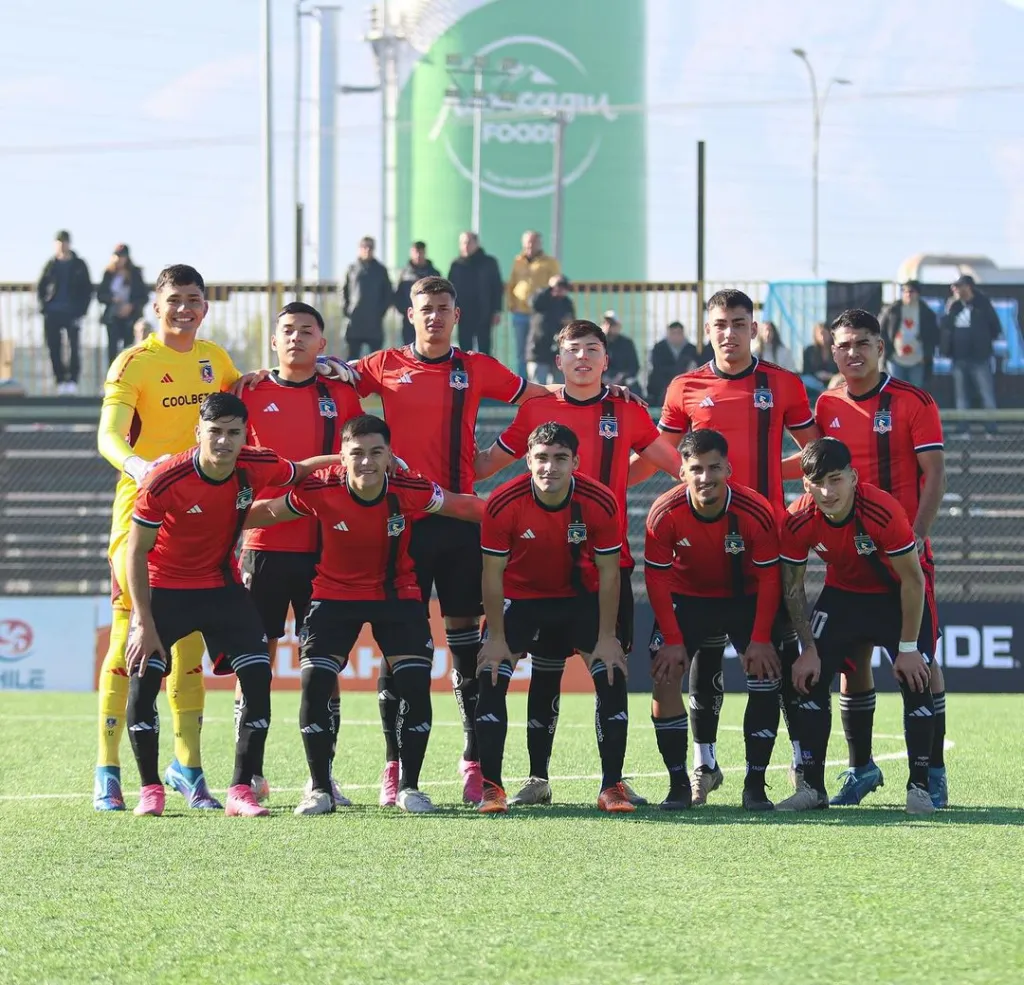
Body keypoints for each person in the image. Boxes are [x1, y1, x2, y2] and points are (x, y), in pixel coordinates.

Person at [352, 275, 581, 806]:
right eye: (425, 308)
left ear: (457, 316)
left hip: (458, 523)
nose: (434, 316)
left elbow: (539, 400)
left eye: (443, 309)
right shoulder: (383, 365)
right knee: (400, 644)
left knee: (465, 648)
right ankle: (393, 766)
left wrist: (495, 457)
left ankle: (473, 761)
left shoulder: (477, 367)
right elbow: (332, 384)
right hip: (399, 523)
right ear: (409, 315)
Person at [474, 319, 680, 805]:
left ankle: (612, 781)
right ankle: (534, 778)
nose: (583, 357)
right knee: (543, 671)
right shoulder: (539, 408)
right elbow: (487, 464)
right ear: (559, 359)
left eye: (593, 349)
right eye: (573, 350)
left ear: (606, 359)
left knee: (610, 666)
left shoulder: (626, 408)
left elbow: (670, 462)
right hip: (534, 571)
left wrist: (623, 482)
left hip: (604, 566)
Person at [245, 414, 487, 814]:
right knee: (315, 682)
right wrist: (209, 513)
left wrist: (521, 513)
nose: (367, 462)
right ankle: (320, 789)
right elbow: (269, 512)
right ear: (341, 457)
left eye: (376, 452)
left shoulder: (409, 488)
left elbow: (462, 506)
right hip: (333, 596)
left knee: (414, 681)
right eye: (356, 453)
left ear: (391, 456)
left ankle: (409, 787)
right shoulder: (321, 488)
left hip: (397, 595)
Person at [634, 288, 819, 804]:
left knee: (774, 665)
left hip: (768, 544)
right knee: (702, 667)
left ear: (754, 327)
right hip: (703, 548)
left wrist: (795, 499)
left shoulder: (782, 385)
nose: (729, 332)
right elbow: (661, 454)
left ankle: (801, 767)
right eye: (720, 323)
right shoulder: (684, 387)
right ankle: (704, 767)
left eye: (739, 322)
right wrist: (611, 484)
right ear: (707, 329)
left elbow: (813, 454)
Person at [123, 392, 335, 816]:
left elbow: (300, 471)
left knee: (258, 675)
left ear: (244, 436)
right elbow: (135, 552)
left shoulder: (257, 464)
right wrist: (143, 622)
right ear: (198, 431)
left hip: (221, 586)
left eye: (233, 433)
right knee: (145, 677)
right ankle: (150, 788)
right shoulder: (165, 479)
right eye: (215, 432)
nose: (223, 441)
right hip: (165, 589)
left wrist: (346, 461)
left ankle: (241, 789)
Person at [94, 264, 244, 813]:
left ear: (205, 307)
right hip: (140, 518)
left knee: (188, 649)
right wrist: (139, 466)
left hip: (200, 526)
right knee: (127, 644)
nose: (185, 308)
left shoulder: (217, 361)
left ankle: (188, 767)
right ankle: (108, 769)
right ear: (156, 307)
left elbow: (245, 398)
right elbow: (108, 435)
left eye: (194, 300)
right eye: (175, 300)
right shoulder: (134, 362)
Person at [815, 308, 947, 807]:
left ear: (880, 347)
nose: (854, 352)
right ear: (833, 349)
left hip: (903, 556)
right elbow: (813, 468)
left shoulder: (913, 401)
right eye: (845, 344)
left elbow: (934, 474)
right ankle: (862, 768)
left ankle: (932, 770)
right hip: (849, 561)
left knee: (923, 664)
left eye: (863, 343)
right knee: (852, 664)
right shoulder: (826, 403)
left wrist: (915, 536)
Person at [239, 301, 363, 803]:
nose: (295, 338)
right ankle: (251, 773)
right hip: (264, 545)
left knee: (324, 667)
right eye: (286, 330)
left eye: (306, 331)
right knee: (257, 663)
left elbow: (360, 456)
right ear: (274, 341)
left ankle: (323, 773)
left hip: (324, 547)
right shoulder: (248, 391)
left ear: (322, 344)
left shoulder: (340, 393)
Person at [476, 422, 631, 814]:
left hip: (580, 601)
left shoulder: (599, 500)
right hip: (521, 601)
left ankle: (612, 786)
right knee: (491, 672)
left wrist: (609, 635)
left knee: (611, 672)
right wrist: (495, 636)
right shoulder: (502, 502)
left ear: (575, 462)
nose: (550, 467)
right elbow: (492, 574)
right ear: (527, 460)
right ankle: (493, 788)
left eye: (560, 458)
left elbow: (610, 572)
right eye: (541, 458)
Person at [777, 437, 936, 816]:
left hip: (895, 597)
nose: (828, 491)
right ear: (805, 484)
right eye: (818, 482)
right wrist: (808, 648)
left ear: (853, 476)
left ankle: (920, 787)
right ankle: (812, 788)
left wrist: (909, 648)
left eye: (836, 479)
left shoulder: (882, 510)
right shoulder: (798, 517)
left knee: (917, 678)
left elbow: (913, 581)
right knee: (809, 677)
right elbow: (793, 586)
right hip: (843, 596)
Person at [644, 429, 783, 811]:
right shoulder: (663, 512)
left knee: (766, 673)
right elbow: (655, 578)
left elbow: (771, 577)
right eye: (696, 469)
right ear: (682, 472)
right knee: (665, 677)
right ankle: (678, 785)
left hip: (745, 599)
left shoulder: (755, 511)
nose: (706, 477)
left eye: (714, 468)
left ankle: (755, 785)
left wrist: (759, 637)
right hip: (688, 601)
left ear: (729, 468)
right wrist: (671, 639)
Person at [37, 230, 92, 394]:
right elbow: (41, 286)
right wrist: (44, 306)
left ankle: (73, 381)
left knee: (74, 347)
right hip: (53, 312)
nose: (62, 245)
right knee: (54, 347)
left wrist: (82, 310)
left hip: (72, 312)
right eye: (59, 241)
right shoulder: (51, 264)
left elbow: (86, 289)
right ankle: (60, 381)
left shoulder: (79, 265)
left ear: (69, 243)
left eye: (65, 241)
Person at [939, 274, 1001, 412]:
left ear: (968, 287)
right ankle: (963, 429)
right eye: (953, 287)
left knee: (986, 394)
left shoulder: (982, 303)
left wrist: (983, 343)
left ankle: (991, 429)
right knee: (961, 396)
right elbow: (945, 327)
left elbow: (995, 327)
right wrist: (948, 311)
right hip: (959, 357)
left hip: (980, 358)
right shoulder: (953, 306)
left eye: (957, 286)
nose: (954, 289)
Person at [507, 231, 561, 378]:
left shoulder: (549, 262)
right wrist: (511, 303)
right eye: (527, 242)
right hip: (520, 312)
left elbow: (556, 286)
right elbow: (512, 283)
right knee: (520, 351)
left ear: (539, 243)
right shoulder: (518, 261)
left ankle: (536, 384)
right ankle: (521, 383)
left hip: (540, 314)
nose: (530, 245)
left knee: (537, 350)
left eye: (533, 241)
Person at [447, 231, 503, 355]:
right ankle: (466, 373)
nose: (465, 246)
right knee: (464, 348)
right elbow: (450, 289)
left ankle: (484, 373)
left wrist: (497, 310)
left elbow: (497, 287)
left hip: (484, 311)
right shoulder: (456, 264)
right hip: (463, 312)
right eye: (462, 243)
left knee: (484, 348)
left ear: (476, 243)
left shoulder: (489, 263)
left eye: (468, 242)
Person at [879, 281, 938, 388]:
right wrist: (888, 351)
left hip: (918, 359)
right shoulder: (892, 310)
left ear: (918, 293)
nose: (908, 294)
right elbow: (881, 331)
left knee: (915, 393)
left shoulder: (927, 312)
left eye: (911, 291)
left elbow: (933, 335)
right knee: (896, 392)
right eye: (905, 291)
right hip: (896, 359)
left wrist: (927, 354)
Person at [97, 244, 149, 368]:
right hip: (113, 317)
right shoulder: (108, 273)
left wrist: (131, 306)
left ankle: (128, 373)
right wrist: (112, 299)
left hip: (131, 317)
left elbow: (143, 296)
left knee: (130, 348)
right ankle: (113, 374)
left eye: (121, 256)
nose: (119, 259)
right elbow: (101, 295)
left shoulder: (135, 273)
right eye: (116, 256)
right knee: (112, 349)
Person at [342, 236, 393, 358]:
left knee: (375, 359)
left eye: (370, 247)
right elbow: (343, 291)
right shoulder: (352, 269)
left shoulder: (381, 270)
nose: (367, 250)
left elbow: (388, 293)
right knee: (352, 359)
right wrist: (347, 309)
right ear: (359, 249)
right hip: (355, 321)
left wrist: (380, 311)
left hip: (374, 322)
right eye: (364, 247)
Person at [527, 274, 575, 383]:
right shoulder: (543, 298)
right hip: (539, 349)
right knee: (538, 387)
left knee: (558, 387)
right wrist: (549, 288)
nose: (561, 289)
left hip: (558, 350)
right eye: (559, 286)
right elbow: (533, 302)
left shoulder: (566, 303)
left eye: (564, 287)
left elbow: (572, 323)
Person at [393, 241, 441, 346]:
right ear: (411, 253)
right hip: (410, 319)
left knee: (429, 346)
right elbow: (397, 296)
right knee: (409, 349)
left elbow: (441, 296)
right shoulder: (404, 274)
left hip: (430, 319)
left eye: (421, 252)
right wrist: (405, 311)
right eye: (415, 252)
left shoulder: (434, 273)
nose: (418, 255)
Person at [647, 321, 698, 406]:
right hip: (662, 385)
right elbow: (658, 368)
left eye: (678, 333)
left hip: (685, 384)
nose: (676, 336)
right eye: (673, 333)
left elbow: (694, 368)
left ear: (683, 334)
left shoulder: (691, 349)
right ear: (668, 334)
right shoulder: (659, 348)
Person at [601, 311, 643, 397]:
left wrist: (621, 376)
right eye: (606, 323)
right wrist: (602, 377)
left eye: (612, 324)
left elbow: (634, 366)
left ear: (618, 326)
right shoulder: (598, 343)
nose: (608, 327)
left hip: (623, 381)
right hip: (600, 380)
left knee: (634, 389)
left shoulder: (627, 343)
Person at [800, 322, 838, 400]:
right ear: (815, 335)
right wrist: (817, 375)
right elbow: (806, 371)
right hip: (816, 381)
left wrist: (831, 376)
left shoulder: (837, 349)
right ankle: (825, 392)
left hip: (833, 380)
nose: (823, 337)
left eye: (825, 334)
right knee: (804, 379)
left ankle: (827, 392)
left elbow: (841, 370)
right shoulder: (809, 350)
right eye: (820, 334)